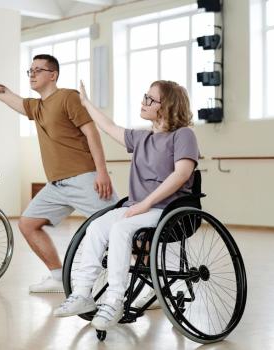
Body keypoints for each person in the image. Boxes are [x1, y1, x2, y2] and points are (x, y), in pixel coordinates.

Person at [53, 80, 199, 331]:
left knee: (121, 229)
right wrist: (86, 103)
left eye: (150, 99)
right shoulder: (141, 137)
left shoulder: (183, 135)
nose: (143, 102)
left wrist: (146, 204)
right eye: (145, 96)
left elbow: (182, 174)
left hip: (168, 210)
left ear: (167, 106)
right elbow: (109, 127)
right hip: (138, 208)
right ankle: (82, 293)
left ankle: (115, 301)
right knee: (97, 226)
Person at [0, 55, 118, 293]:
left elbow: (92, 133)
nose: (32, 74)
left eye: (38, 70)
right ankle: (58, 277)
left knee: (120, 226)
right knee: (27, 224)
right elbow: (6, 94)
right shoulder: (36, 107)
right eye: (30, 70)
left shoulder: (68, 97)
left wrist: (102, 172)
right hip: (56, 185)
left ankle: (151, 277)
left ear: (53, 75)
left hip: (84, 178)